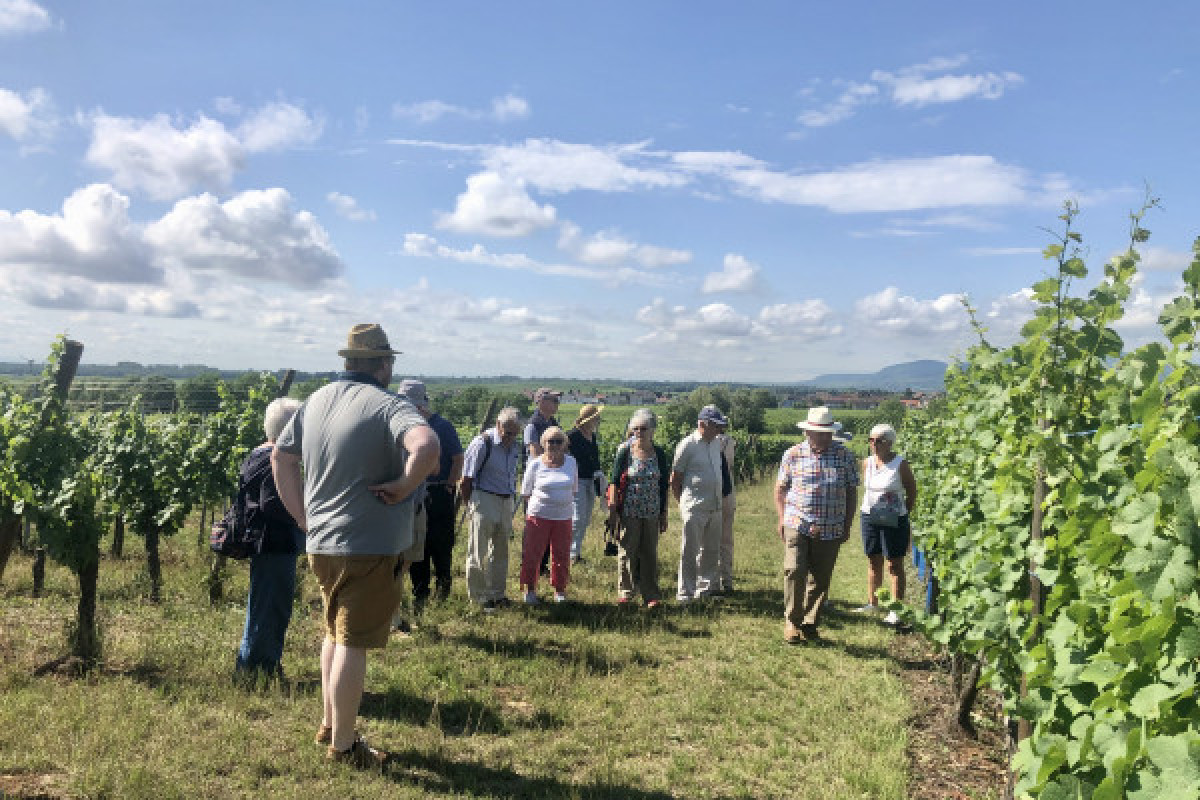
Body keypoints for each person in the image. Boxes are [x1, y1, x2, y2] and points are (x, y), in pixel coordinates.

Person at [272, 323, 440, 769]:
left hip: (321, 542)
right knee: (354, 643)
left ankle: (330, 724)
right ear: (383, 364)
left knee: (334, 633)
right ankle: (345, 746)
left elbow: (280, 457)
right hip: (368, 545)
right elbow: (427, 445)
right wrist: (405, 485)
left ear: (348, 360)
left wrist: (303, 516)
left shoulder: (316, 401)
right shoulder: (390, 406)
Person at [774, 406, 859, 644]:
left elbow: (851, 492)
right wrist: (781, 518)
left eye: (828, 433)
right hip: (797, 522)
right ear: (808, 433)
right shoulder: (792, 455)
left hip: (831, 526)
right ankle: (792, 622)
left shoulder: (844, 456)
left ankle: (810, 622)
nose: (824, 437)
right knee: (794, 569)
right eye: (819, 433)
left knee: (820, 578)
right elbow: (780, 488)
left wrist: (847, 524)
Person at [233, 396, 303, 682]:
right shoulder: (274, 459)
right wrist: (303, 516)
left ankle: (253, 665)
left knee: (263, 604)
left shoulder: (258, 452)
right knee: (271, 606)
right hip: (275, 541)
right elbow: (272, 503)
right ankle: (260, 669)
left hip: (266, 541)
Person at [397, 380, 464, 614]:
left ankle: (443, 587)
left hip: (437, 490)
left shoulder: (442, 427)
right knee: (418, 546)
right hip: (411, 493)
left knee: (441, 543)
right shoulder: (403, 428)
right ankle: (420, 593)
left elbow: (457, 458)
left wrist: (448, 485)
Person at [460, 407, 523, 612]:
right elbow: (466, 479)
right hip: (484, 498)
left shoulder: (515, 447)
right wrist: (470, 504)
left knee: (501, 549)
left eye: (515, 433)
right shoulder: (482, 443)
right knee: (478, 550)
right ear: (498, 425)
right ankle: (478, 597)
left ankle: (497, 594)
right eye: (508, 432)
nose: (511, 437)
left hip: (506, 500)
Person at [856, 423, 918, 626]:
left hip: (894, 519)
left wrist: (903, 513)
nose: (874, 444)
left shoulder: (900, 464)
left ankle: (895, 610)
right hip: (870, 516)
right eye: (871, 440)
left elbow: (911, 490)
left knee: (894, 563)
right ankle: (872, 603)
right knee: (873, 559)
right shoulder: (867, 463)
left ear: (889, 443)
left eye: (879, 441)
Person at [608, 408, 669, 607]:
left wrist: (664, 512)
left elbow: (663, 486)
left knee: (650, 553)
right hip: (629, 510)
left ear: (652, 431)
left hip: (651, 511)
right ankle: (626, 592)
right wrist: (613, 510)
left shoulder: (659, 453)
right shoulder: (625, 452)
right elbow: (614, 482)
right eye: (635, 429)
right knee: (627, 551)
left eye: (643, 428)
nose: (639, 432)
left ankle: (650, 594)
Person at [670, 405, 727, 603]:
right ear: (702, 424)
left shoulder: (716, 443)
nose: (719, 430)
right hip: (694, 505)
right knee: (690, 551)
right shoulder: (687, 445)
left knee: (711, 550)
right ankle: (685, 594)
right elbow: (675, 477)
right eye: (715, 426)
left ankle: (706, 589)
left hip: (715, 505)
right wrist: (684, 503)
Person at [519, 426, 578, 603]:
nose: (554, 445)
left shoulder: (571, 462)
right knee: (533, 553)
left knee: (561, 554)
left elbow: (574, 488)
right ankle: (530, 590)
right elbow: (526, 492)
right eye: (550, 441)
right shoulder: (535, 464)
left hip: (564, 516)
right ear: (543, 443)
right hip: (538, 516)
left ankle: (559, 590)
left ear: (565, 444)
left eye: (558, 441)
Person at [525, 387, 561, 576]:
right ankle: (533, 565)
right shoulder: (533, 425)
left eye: (557, 401)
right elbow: (535, 453)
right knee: (537, 526)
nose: (557, 404)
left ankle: (543, 565)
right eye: (553, 400)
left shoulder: (553, 422)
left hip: (553, 479)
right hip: (539, 481)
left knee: (550, 522)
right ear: (540, 402)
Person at [567, 403, 605, 563]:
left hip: (591, 480)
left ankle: (577, 551)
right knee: (578, 517)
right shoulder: (572, 436)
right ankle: (571, 553)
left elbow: (594, 458)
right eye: (596, 418)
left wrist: (599, 474)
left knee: (586, 518)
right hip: (577, 480)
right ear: (589, 420)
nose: (599, 421)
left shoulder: (592, 436)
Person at [714, 419, 737, 595]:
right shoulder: (730, 441)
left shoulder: (711, 443)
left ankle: (714, 580)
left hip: (719, 493)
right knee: (726, 540)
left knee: (710, 539)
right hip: (728, 494)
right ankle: (726, 580)